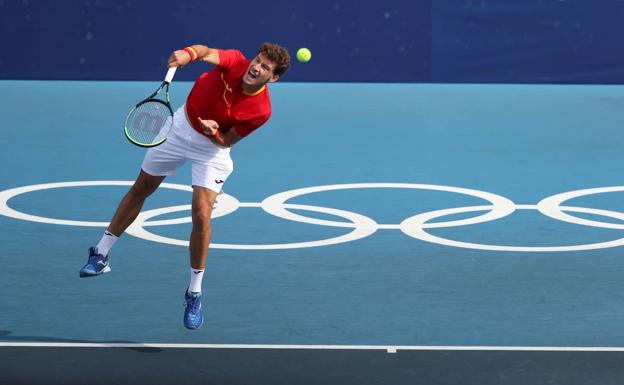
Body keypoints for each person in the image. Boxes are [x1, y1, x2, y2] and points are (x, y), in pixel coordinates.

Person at [79, 43, 291, 330]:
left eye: (266, 68)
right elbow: (205, 52)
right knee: (142, 188)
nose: (256, 68)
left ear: (274, 78)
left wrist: (214, 132)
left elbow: (227, 141)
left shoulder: (261, 110)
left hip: (211, 151)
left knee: (201, 214)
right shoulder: (235, 61)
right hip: (179, 129)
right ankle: (101, 254)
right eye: (258, 61)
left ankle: (194, 293)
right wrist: (187, 55)